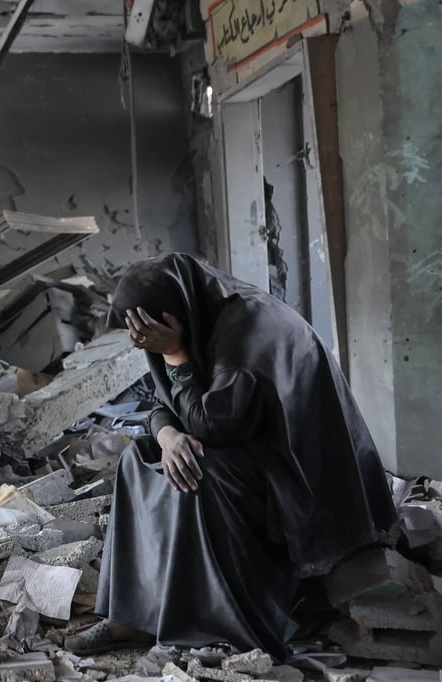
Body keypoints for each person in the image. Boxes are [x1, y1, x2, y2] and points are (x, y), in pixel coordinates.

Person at [64, 253, 396, 661]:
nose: (139, 343)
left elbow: (213, 427)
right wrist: (167, 435)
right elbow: (164, 403)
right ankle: (130, 616)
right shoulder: (199, 315)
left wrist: (175, 357)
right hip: (245, 442)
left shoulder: (246, 326)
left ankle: (221, 623)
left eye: (145, 332)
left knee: (196, 470)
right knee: (141, 460)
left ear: (171, 315)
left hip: (299, 473)